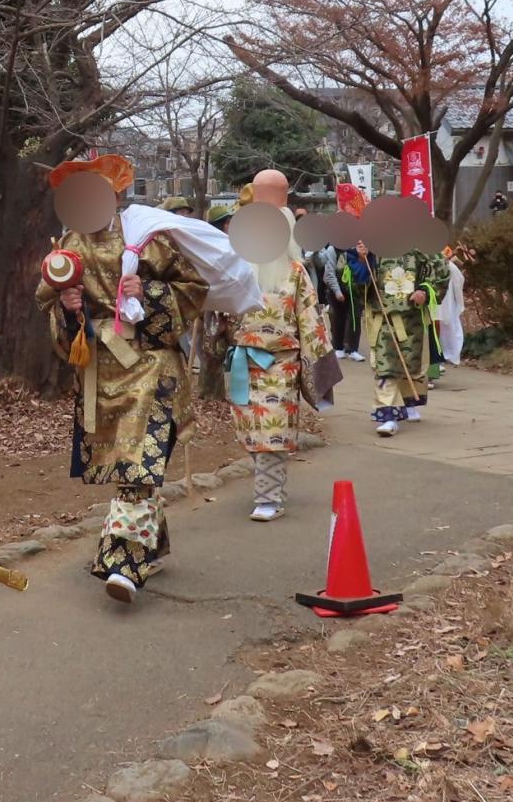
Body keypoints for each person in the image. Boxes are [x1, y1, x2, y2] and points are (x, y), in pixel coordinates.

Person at [36, 155, 210, 602]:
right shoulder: (65, 247)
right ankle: (152, 544)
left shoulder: (146, 239)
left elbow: (192, 289)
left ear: (114, 194)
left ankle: (123, 564)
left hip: (151, 369)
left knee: (137, 464)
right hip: (101, 371)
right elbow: (49, 308)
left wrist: (148, 293)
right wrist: (68, 307)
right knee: (133, 469)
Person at [221, 206, 332, 522]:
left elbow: (311, 322)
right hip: (243, 360)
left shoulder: (296, 273)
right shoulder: (237, 269)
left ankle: (268, 497)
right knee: (251, 432)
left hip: (281, 364)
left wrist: (318, 369)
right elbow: (220, 313)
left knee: (273, 428)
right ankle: (269, 486)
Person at [362, 241, 449, 435]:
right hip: (382, 315)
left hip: (412, 316)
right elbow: (352, 276)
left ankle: (409, 402)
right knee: (385, 364)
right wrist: (361, 258)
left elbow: (441, 269)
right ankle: (388, 414)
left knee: (412, 363)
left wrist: (425, 291)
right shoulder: (369, 242)